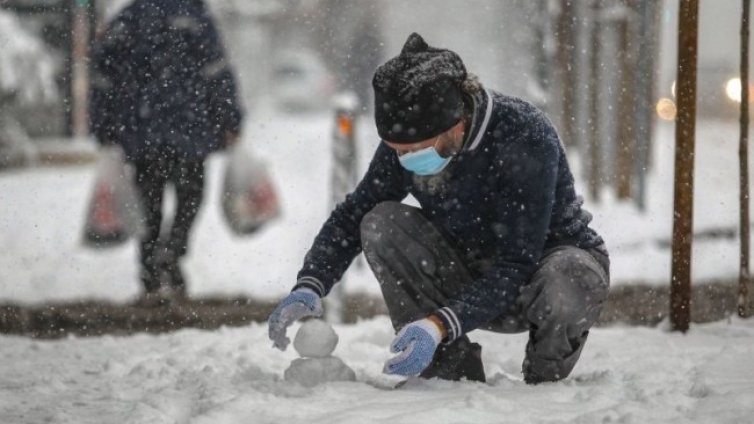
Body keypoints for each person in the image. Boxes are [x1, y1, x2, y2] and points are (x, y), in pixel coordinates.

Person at [268, 33, 609, 385]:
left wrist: (438, 324)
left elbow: (516, 262)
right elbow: (354, 214)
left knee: (570, 277)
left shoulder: (524, 136)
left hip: (538, 277)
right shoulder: (408, 139)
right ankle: (446, 376)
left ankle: (543, 384)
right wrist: (311, 282)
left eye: (417, 149)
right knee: (380, 223)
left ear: (456, 123)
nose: (407, 159)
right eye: (397, 150)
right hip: (466, 274)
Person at [89, 0, 243, 304]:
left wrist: (103, 123)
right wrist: (230, 118)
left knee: (149, 201)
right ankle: (172, 252)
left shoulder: (128, 18)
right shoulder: (195, 16)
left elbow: (103, 75)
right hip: (189, 127)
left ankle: (149, 272)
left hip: (142, 129)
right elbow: (217, 70)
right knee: (190, 196)